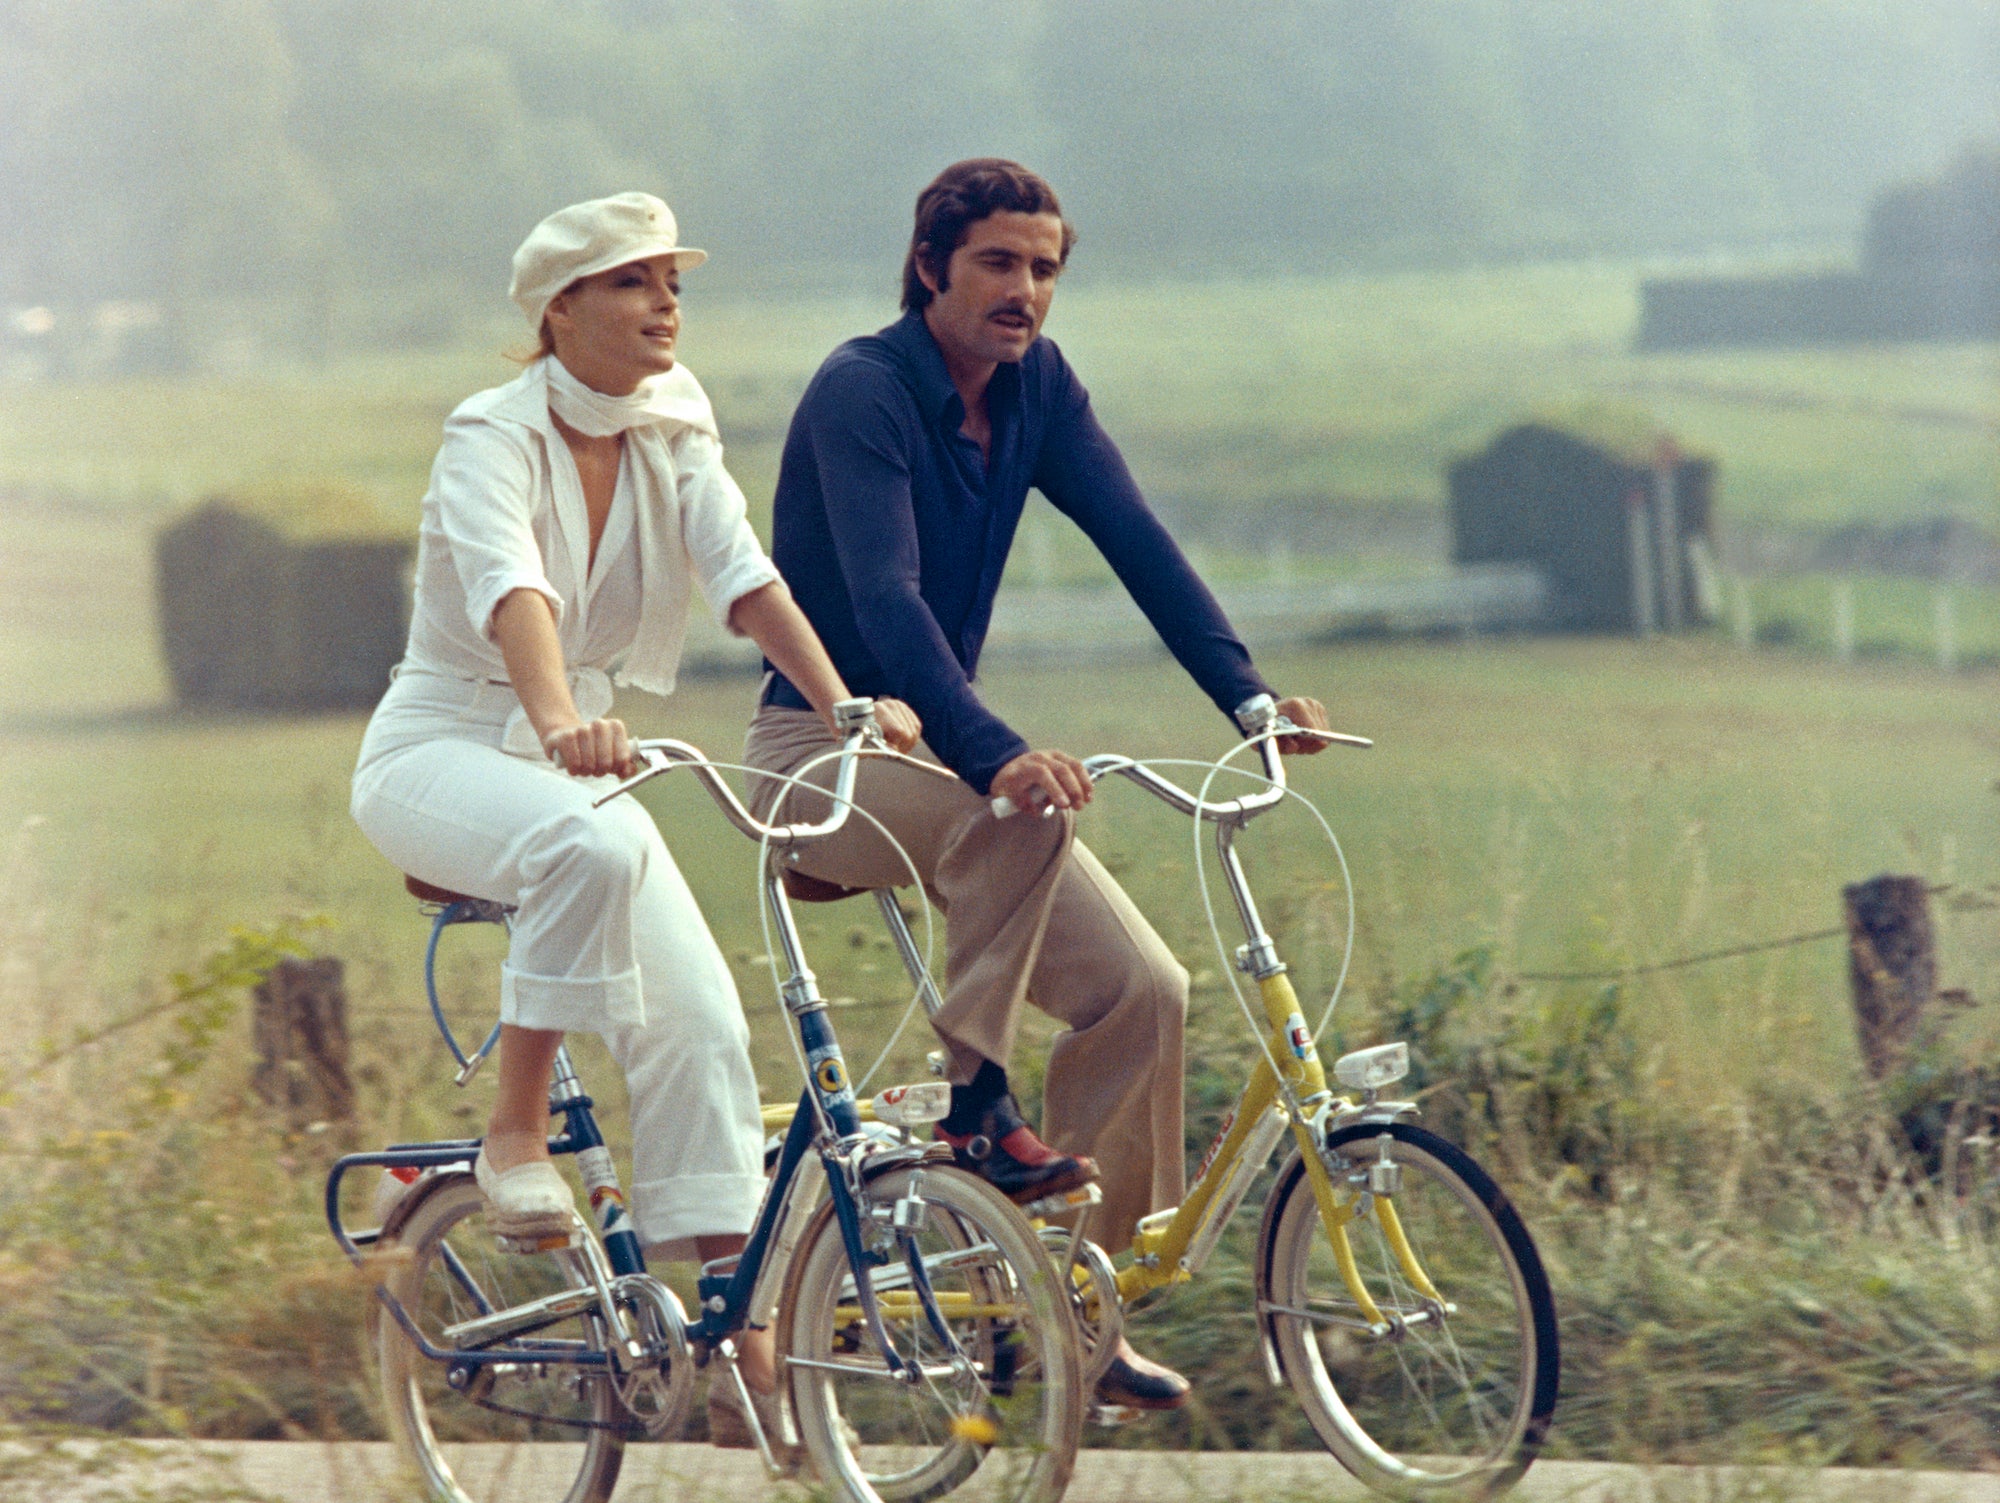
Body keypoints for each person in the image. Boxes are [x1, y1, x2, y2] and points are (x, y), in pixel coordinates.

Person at [742, 158, 1331, 1412]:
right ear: (929, 270)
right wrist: (996, 750)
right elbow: (889, 602)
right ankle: (974, 1106)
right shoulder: (864, 390)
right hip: (821, 756)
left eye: (1045, 269)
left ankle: (1066, 1308)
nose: (1025, 293)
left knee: (1141, 992)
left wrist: (1252, 703)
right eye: (999, 264)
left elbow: (1139, 546)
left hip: (946, 772)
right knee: (1020, 811)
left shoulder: (1035, 392)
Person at [350, 192, 918, 1452]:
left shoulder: (672, 421)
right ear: (559, 311)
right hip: (442, 745)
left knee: (705, 1027)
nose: (665, 305)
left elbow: (743, 574)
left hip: (573, 756)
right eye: (631, 284)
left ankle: (727, 1341)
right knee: (589, 841)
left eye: (673, 284)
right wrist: (558, 723)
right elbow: (514, 587)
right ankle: (512, 1134)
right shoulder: (487, 435)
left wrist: (842, 708)